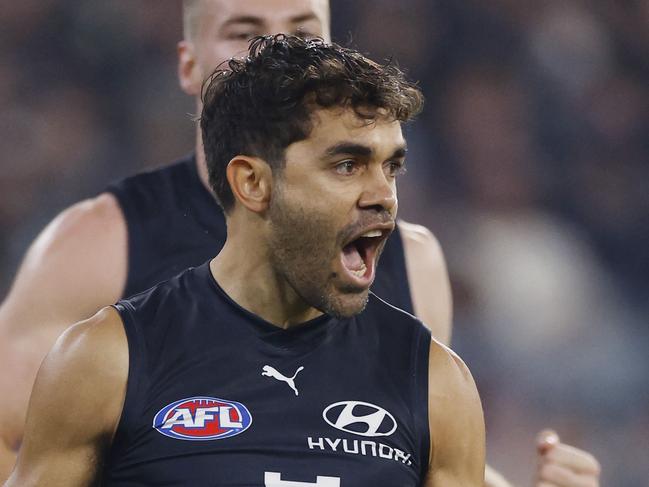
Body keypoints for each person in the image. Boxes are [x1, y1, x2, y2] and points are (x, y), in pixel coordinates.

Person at [0, 1, 600, 486]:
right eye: (245, 31)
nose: (279, 53)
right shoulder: (103, 256)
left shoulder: (418, 294)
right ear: (187, 63)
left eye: (304, 33)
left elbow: (417, 445)